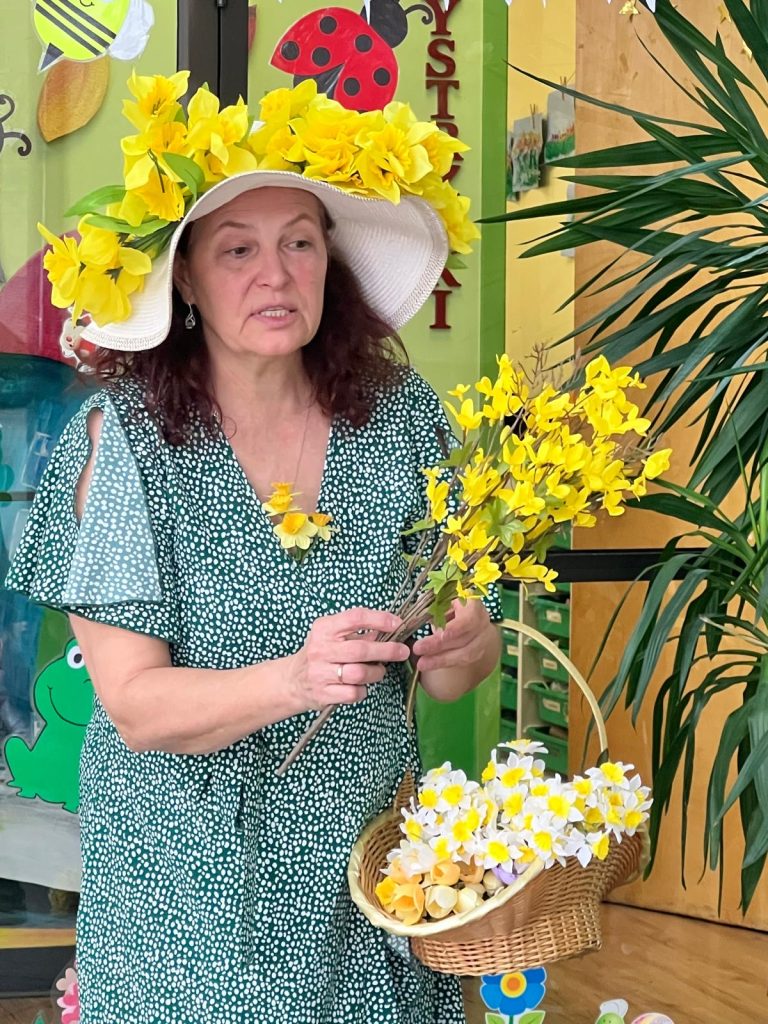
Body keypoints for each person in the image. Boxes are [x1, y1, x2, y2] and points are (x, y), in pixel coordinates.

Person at [5, 75, 502, 1023]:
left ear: (329, 264)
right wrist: (297, 680)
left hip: (372, 880)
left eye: (299, 243)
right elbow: (135, 706)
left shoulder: (401, 419)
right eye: (237, 249)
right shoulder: (126, 440)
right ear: (187, 279)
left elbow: (454, 670)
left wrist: (466, 641)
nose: (274, 275)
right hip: (189, 894)